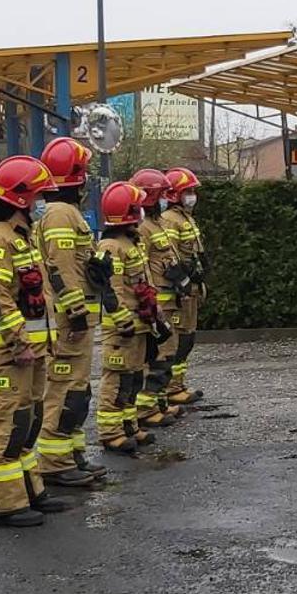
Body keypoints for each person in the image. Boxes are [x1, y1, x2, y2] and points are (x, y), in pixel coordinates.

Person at [0, 155, 75, 527]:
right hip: (9, 353)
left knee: (28, 423)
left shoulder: (21, 238)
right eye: (38, 197)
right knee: (9, 425)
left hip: (31, 351)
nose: (42, 204)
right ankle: (7, 505)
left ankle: (32, 492)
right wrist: (20, 343)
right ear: (20, 199)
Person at [32, 138, 104, 488]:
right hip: (68, 322)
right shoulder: (61, 214)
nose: (89, 177)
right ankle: (54, 462)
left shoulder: (64, 212)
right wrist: (75, 311)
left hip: (77, 320)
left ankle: (70, 454)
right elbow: (60, 267)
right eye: (85, 170)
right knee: (64, 390)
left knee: (77, 391)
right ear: (76, 176)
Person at [90, 181, 164, 456]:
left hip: (138, 322)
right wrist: (123, 320)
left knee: (133, 378)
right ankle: (111, 433)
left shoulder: (131, 242)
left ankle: (128, 425)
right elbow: (112, 288)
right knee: (117, 379)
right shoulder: (111, 246)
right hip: (122, 327)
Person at [128, 168, 181, 429]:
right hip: (157, 302)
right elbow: (143, 267)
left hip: (168, 299)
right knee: (157, 355)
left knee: (166, 352)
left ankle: (158, 402)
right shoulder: (144, 228)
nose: (165, 199)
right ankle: (146, 408)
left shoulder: (157, 223)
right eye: (161, 194)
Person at [158, 167, 206, 407]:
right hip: (178, 292)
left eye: (193, 191)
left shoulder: (186, 218)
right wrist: (184, 280)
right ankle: (170, 388)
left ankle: (178, 384)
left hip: (191, 290)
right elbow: (169, 258)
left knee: (188, 338)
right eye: (187, 191)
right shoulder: (169, 220)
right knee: (177, 341)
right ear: (174, 195)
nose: (192, 195)